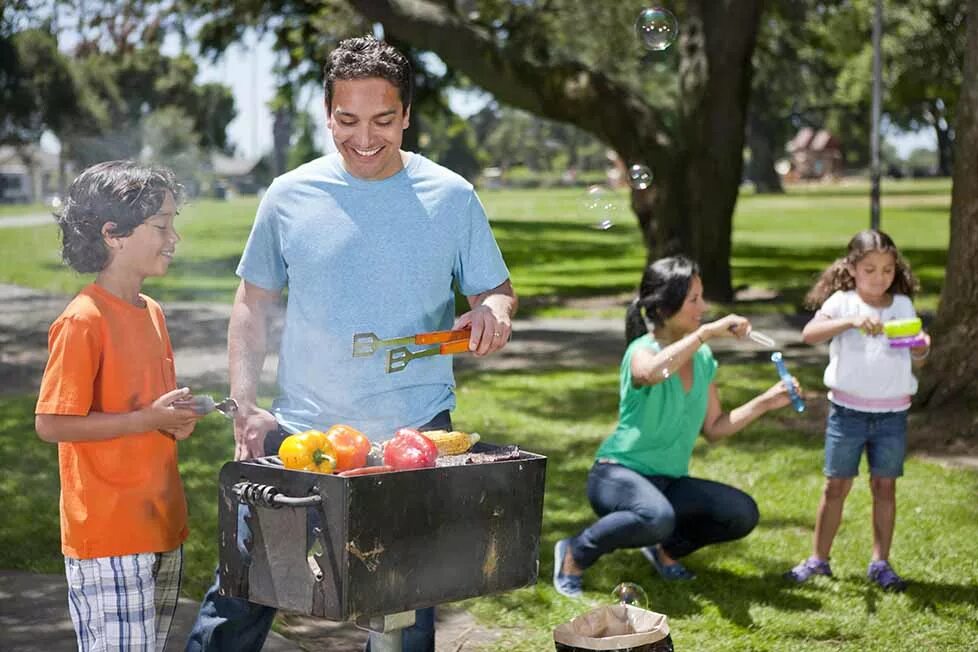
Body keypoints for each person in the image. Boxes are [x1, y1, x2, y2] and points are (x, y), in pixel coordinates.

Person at [185, 36, 516, 652]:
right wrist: (244, 404)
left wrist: (492, 311)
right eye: (347, 120)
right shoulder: (288, 195)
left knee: (403, 618)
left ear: (408, 115)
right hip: (302, 432)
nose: (365, 138)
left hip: (414, 436)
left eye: (383, 121)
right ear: (327, 113)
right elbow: (252, 303)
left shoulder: (451, 197)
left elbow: (495, 291)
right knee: (242, 596)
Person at [552, 255, 799, 598]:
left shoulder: (703, 359)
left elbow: (714, 427)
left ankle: (665, 551)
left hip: (667, 482)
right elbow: (649, 372)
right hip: (617, 475)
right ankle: (575, 553)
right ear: (666, 306)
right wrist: (706, 332)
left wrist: (765, 402)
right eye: (694, 299)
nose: (704, 306)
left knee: (741, 513)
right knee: (657, 517)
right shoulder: (642, 350)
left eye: (702, 297)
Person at [34, 160, 200, 651]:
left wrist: (175, 420)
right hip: (108, 535)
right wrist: (149, 418)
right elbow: (51, 422)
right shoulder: (83, 320)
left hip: (160, 524)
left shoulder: (152, 312)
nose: (174, 237)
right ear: (114, 234)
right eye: (161, 225)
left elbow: (147, 407)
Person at [784, 230, 929, 592]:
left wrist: (922, 347)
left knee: (884, 487)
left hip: (892, 414)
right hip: (846, 412)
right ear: (852, 268)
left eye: (887, 270)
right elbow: (810, 334)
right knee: (836, 486)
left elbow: (918, 355)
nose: (880, 278)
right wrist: (849, 322)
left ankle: (880, 563)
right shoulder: (842, 302)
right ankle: (819, 560)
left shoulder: (902, 307)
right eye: (870, 270)